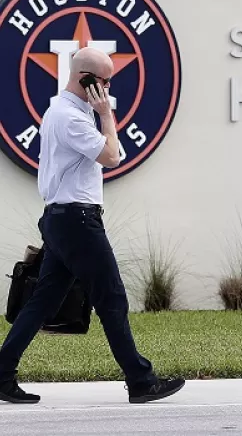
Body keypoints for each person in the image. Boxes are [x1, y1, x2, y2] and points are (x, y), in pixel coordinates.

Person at [0, 47, 185, 404]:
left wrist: (98, 115)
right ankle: (141, 381)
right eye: (105, 81)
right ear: (87, 79)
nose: (109, 87)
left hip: (63, 219)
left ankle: (2, 371)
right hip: (77, 221)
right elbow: (113, 156)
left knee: (43, 301)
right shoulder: (70, 117)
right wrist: (106, 114)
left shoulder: (68, 113)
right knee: (112, 298)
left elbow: (111, 153)